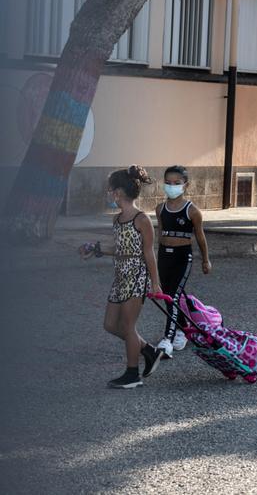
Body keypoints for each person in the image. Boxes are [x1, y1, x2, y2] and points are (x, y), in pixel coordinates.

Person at [79, 166, 164, 389]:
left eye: (109, 190)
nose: (108, 194)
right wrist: (95, 249)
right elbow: (118, 247)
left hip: (137, 275)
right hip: (120, 275)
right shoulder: (117, 220)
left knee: (128, 326)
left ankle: (132, 374)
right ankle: (148, 350)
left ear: (118, 192)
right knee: (110, 324)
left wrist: (155, 283)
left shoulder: (141, 219)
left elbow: (148, 252)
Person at [154, 166, 211, 358]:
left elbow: (200, 237)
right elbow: (160, 234)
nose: (172, 187)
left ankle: (167, 339)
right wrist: (153, 258)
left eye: (176, 183)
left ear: (186, 185)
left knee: (172, 296)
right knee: (169, 293)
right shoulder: (160, 209)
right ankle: (184, 328)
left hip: (182, 257)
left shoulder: (192, 211)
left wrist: (205, 260)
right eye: (168, 183)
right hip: (164, 256)